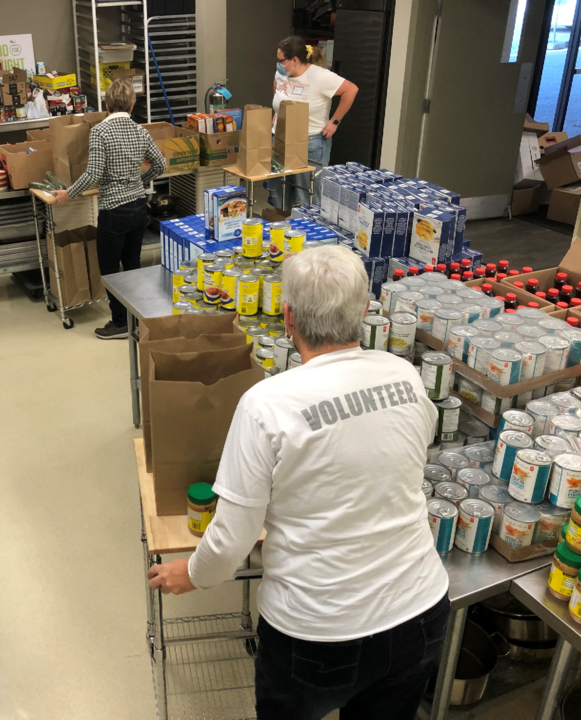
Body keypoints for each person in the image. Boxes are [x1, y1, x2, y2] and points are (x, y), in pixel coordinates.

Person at [148, 245, 450, 720]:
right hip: (421, 611)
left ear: (287, 317)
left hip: (317, 633)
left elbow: (232, 537)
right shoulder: (406, 377)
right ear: (365, 311)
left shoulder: (267, 403)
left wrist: (192, 573)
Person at [51, 79, 167, 340]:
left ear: (105, 104)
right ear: (133, 104)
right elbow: (160, 164)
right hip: (138, 207)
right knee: (133, 267)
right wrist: (140, 178)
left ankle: (119, 324)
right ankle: (136, 320)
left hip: (114, 210)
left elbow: (93, 172)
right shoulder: (140, 131)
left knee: (111, 270)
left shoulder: (100, 132)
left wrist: (69, 193)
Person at [271, 36, 359, 207]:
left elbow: (351, 89)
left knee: (308, 195)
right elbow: (276, 88)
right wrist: (277, 113)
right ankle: (280, 225)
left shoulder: (320, 77)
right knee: (280, 191)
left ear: (294, 60)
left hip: (309, 141)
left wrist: (334, 121)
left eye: (280, 60)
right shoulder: (281, 73)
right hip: (280, 138)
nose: (278, 64)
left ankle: (309, 230)